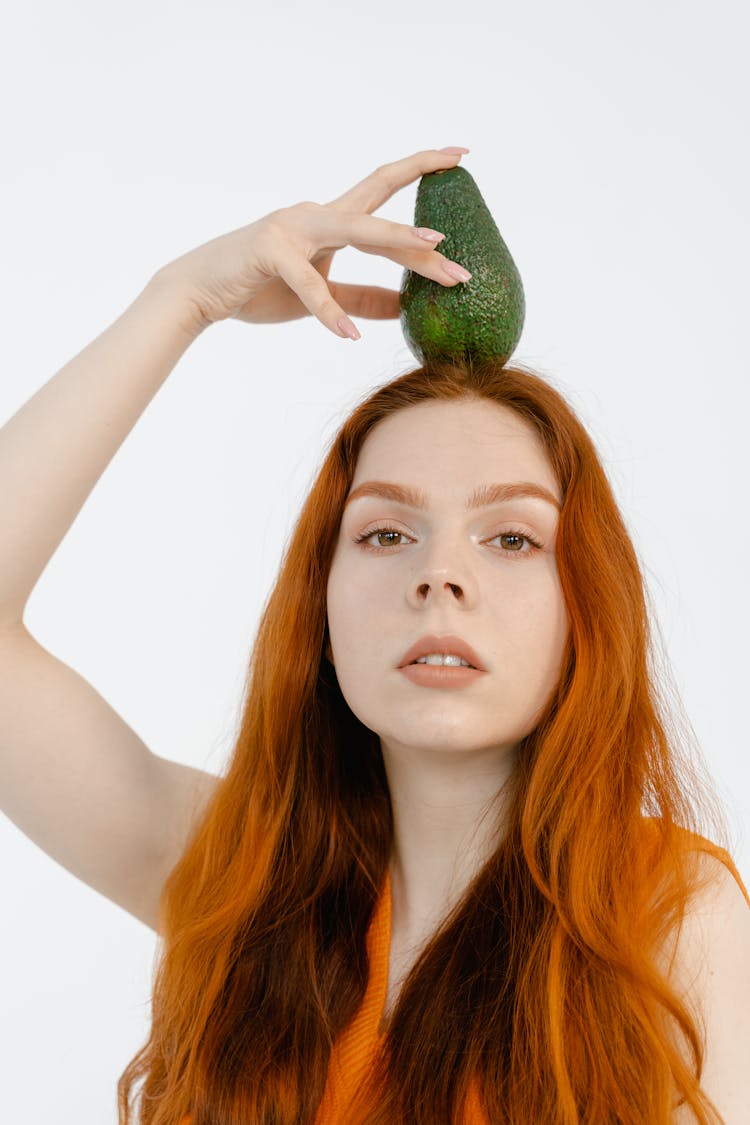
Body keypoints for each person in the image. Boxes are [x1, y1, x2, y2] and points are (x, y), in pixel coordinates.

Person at [0, 147, 747, 1125]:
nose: (440, 575)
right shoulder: (234, 876)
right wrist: (181, 299)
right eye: (387, 533)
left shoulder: (667, 912)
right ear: (320, 605)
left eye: (513, 536)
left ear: (585, 610)